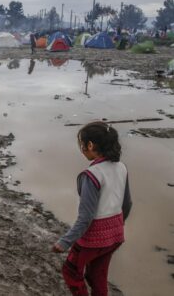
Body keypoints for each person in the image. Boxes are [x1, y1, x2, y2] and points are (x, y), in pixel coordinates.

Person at [52, 121, 132, 296]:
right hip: (116, 235)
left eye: (82, 144)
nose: (82, 148)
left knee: (71, 271)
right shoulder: (121, 168)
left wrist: (65, 241)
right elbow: (127, 204)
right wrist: (116, 225)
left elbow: (86, 217)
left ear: (90, 145)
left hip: (93, 239)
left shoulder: (91, 175)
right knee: (98, 275)